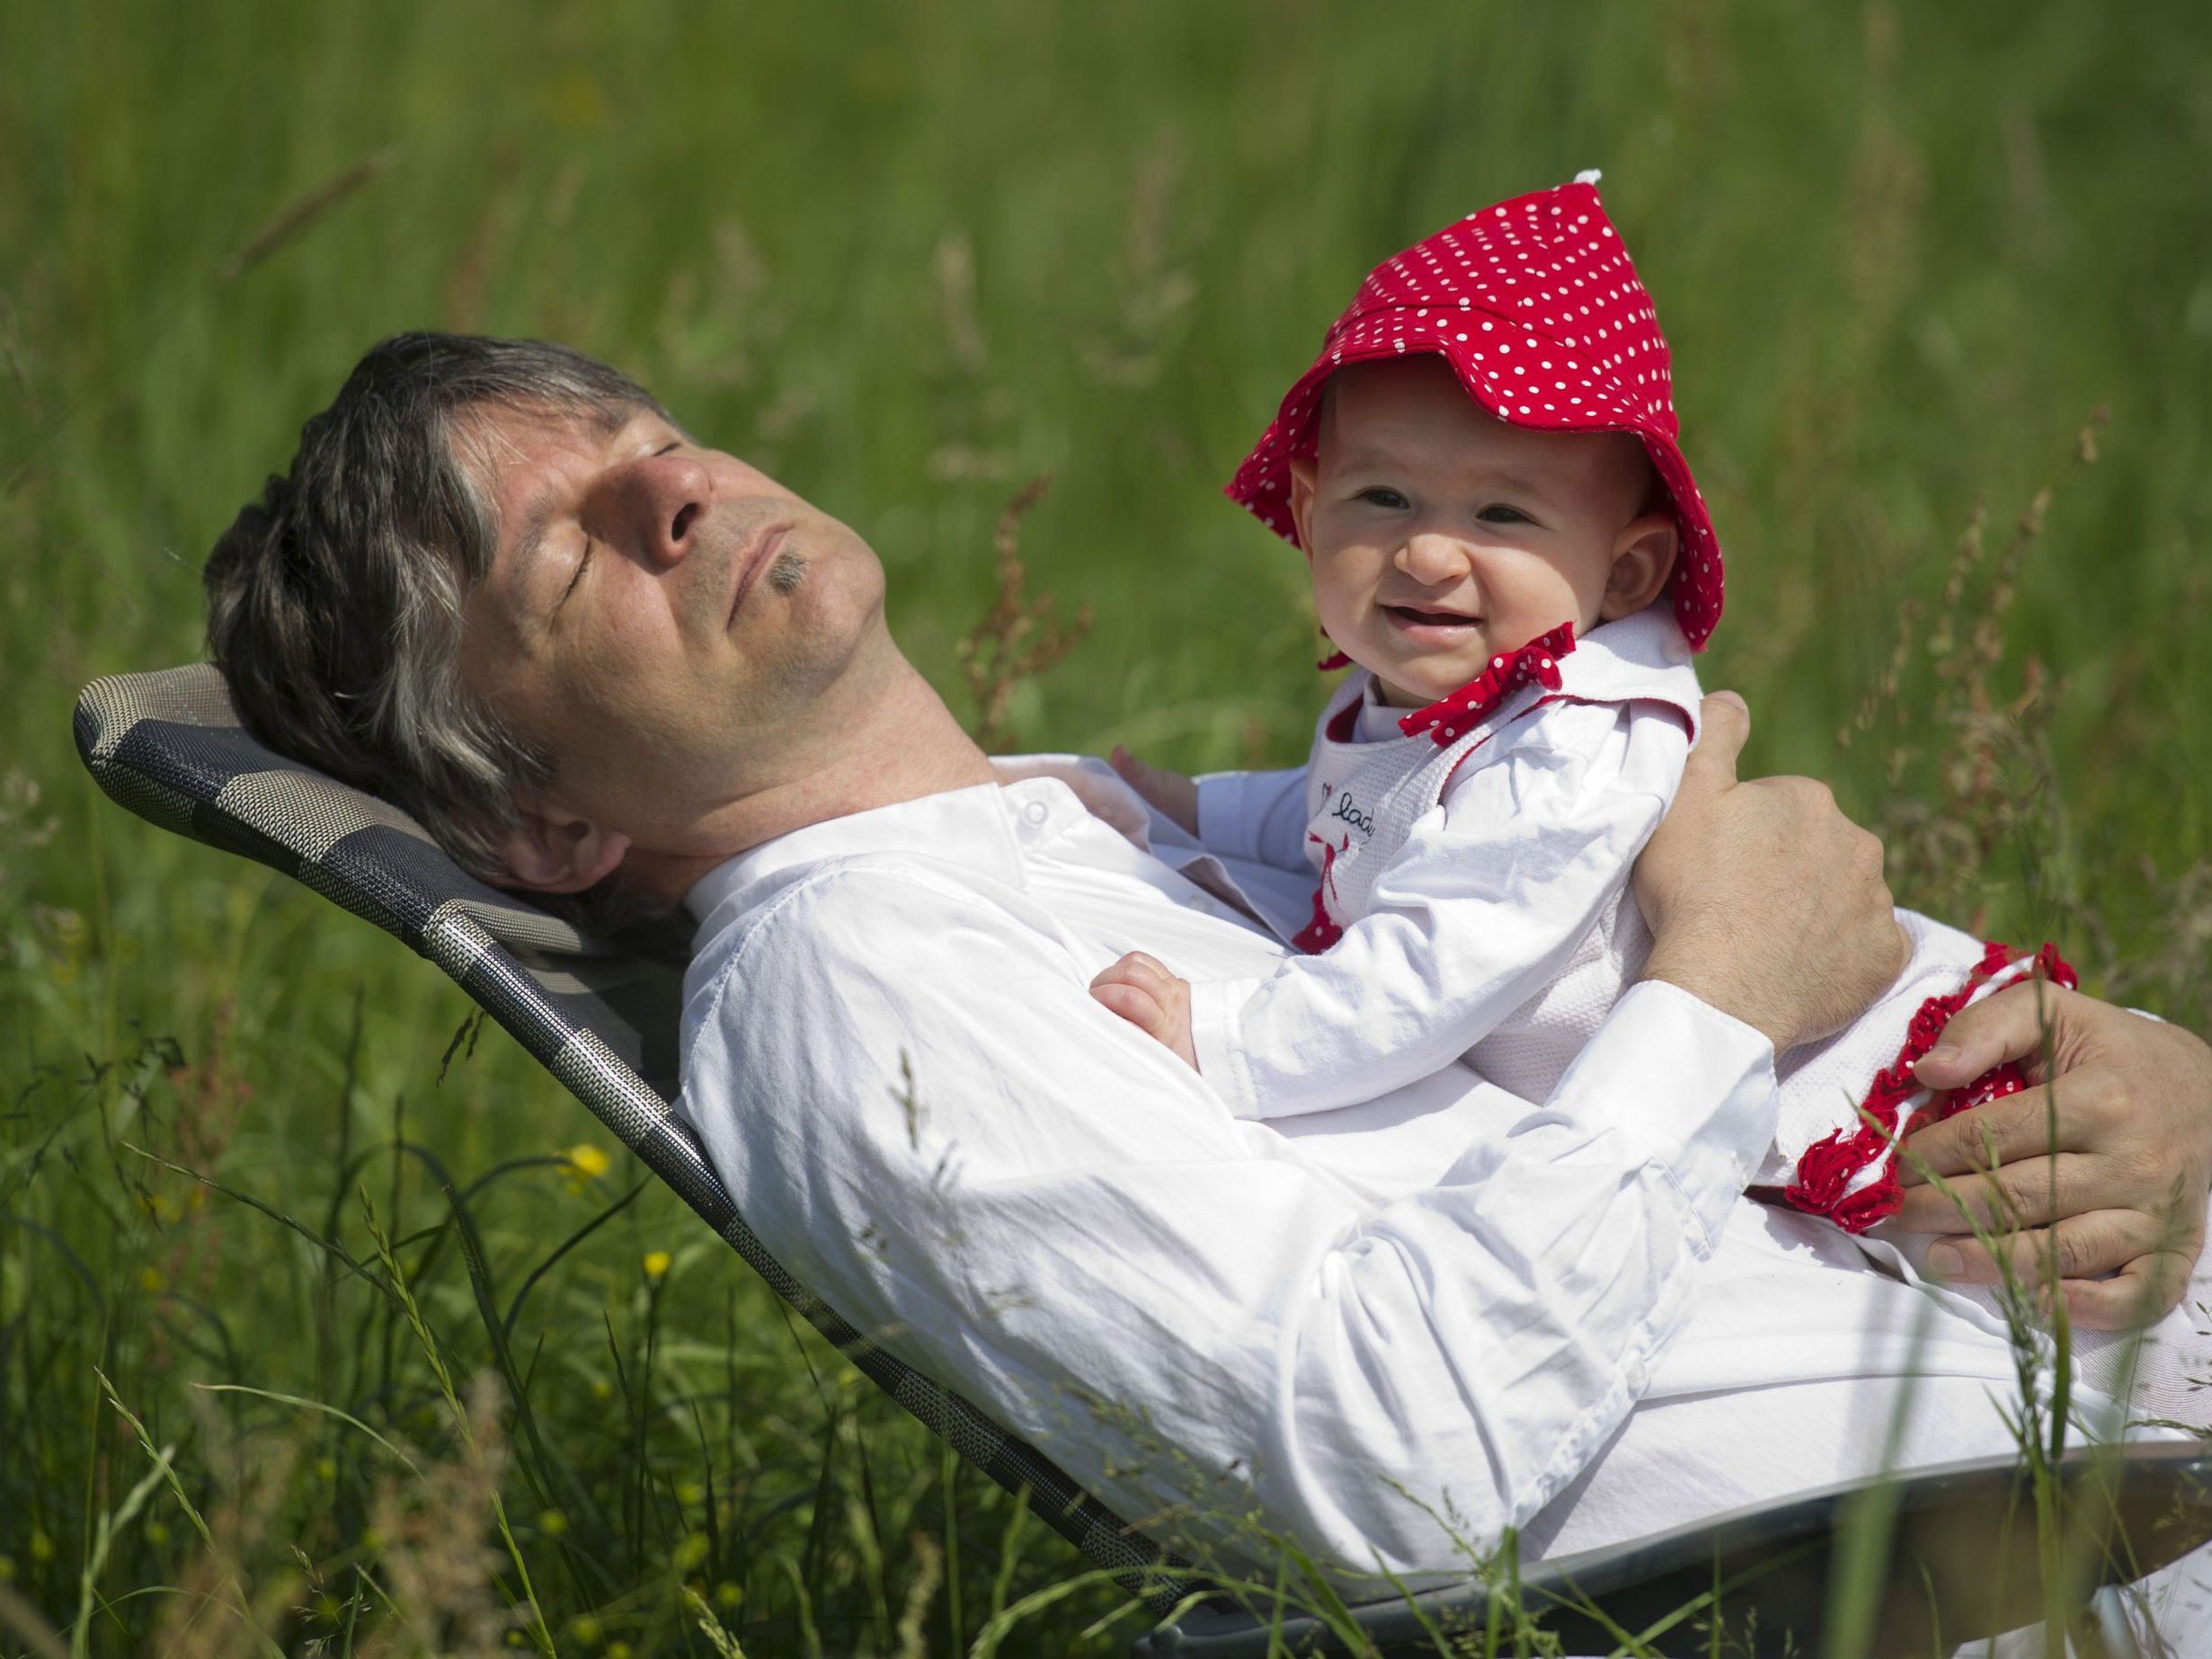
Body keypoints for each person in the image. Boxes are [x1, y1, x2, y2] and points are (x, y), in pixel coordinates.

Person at [201, 332, 2212, 1592]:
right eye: (568, 553)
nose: (677, 486)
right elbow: (1388, 1464)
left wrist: (2159, 1100)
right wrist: (1725, 988)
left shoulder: (1075, 825)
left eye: (649, 437)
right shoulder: (854, 990)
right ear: (544, 825)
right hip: (2039, 1547)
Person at [1090, 177, 2076, 1249]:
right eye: (1382, 498)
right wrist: (1198, 808)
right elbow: (1349, 814)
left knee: (1995, 1241)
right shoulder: (1433, 692)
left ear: (1625, 571)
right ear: (1308, 508)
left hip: (1865, 1063)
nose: (1427, 551)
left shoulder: (1567, 749)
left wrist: (1224, 1036)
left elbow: (1432, 968)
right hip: (1697, 1062)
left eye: (1500, 512)